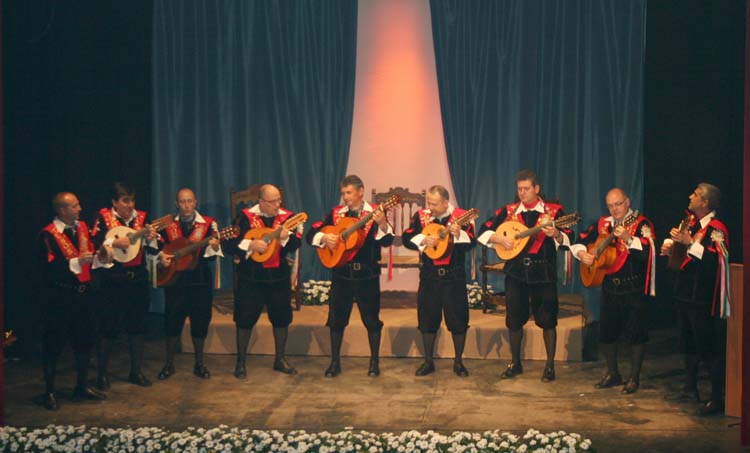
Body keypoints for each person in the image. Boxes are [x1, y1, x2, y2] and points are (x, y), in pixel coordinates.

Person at [477, 169, 572, 382]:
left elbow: (570, 237)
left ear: (536, 189)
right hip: (516, 273)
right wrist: (499, 240)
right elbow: (483, 231)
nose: (522, 193)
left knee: (548, 319)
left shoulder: (554, 212)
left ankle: (549, 366)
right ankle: (515, 363)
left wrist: (556, 233)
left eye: (526, 189)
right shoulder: (508, 212)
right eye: (519, 189)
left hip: (543, 272)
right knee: (513, 319)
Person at [570, 188, 655, 394]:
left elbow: (649, 253)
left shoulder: (641, 223)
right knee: (607, 333)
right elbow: (579, 241)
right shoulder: (602, 224)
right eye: (610, 205)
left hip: (633, 287)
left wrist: (627, 238)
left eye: (618, 204)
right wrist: (583, 254)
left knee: (636, 334)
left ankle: (634, 377)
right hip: (610, 287)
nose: (614, 209)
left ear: (627, 202)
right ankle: (613, 373)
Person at [307, 174, 394, 377]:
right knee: (337, 319)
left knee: (371, 319)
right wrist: (324, 237)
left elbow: (388, 240)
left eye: (349, 193)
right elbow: (312, 234)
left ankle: (374, 363)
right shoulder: (336, 214)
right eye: (343, 193)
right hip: (341, 275)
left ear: (360, 191)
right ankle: (335, 362)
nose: (345, 197)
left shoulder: (374, 212)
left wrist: (382, 225)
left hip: (367, 275)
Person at [660, 183, 730, 415]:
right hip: (685, 294)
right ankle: (690, 388)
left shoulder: (716, 229)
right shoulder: (690, 223)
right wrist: (672, 249)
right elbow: (685, 258)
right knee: (689, 344)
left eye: (695, 194)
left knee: (708, 347)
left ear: (705, 202)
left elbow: (718, 262)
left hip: (703, 297)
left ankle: (717, 397)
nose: (690, 196)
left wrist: (690, 242)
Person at [37, 192, 107, 410]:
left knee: (84, 341)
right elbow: (48, 268)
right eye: (75, 206)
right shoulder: (48, 235)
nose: (80, 209)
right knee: (54, 344)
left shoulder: (83, 228)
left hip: (84, 294)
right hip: (60, 296)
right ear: (62, 210)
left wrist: (99, 258)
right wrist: (77, 261)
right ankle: (49, 391)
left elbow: (90, 255)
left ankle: (82, 385)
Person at [402, 185, 476, 377]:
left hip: (454, 276)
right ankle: (428, 362)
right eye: (429, 202)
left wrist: (458, 233)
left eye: (434, 204)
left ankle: (458, 362)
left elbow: (472, 243)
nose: (430, 207)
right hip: (429, 276)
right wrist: (423, 239)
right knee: (427, 319)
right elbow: (407, 237)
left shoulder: (462, 216)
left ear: (445, 202)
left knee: (458, 319)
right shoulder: (421, 217)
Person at [91, 182, 158, 389]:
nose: (130, 205)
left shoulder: (143, 219)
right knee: (108, 327)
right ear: (114, 202)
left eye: (132, 200)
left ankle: (136, 372)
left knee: (137, 327)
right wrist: (112, 244)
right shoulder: (103, 218)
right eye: (125, 201)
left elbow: (154, 250)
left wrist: (151, 239)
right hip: (112, 279)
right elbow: (93, 244)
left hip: (136, 279)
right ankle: (101, 375)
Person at [231, 184, 301, 379]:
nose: (278, 204)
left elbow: (296, 243)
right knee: (244, 319)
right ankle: (241, 361)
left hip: (278, 277)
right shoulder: (244, 217)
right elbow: (230, 243)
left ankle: (280, 359)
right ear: (261, 202)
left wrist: (286, 239)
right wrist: (250, 244)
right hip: (251, 278)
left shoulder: (288, 218)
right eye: (273, 201)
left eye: (279, 200)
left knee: (281, 318)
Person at [156, 188, 223, 380]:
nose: (186, 205)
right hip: (174, 279)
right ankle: (169, 364)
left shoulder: (209, 224)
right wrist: (162, 257)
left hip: (199, 278)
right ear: (177, 204)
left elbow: (213, 255)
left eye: (189, 201)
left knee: (200, 319)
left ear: (196, 202)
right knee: (172, 319)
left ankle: (199, 364)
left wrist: (214, 247)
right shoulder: (167, 225)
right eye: (182, 202)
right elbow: (158, 249)